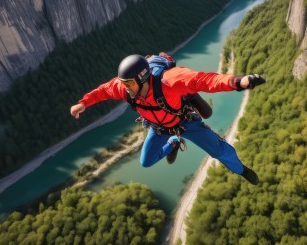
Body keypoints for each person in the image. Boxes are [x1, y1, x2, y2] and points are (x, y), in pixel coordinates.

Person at [70, 53, 266, 185]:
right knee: (146, 161)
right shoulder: (125, 89)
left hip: (184, 121)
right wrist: (84, 103)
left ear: (143, 78)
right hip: (159, 127)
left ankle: (241, 170)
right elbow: (104, 90)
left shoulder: (169, 81)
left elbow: (205, 80)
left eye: (129, 83)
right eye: (123, 83)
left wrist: (239, 82)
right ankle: (173, 143)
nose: (125, 87)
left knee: (220, 151)